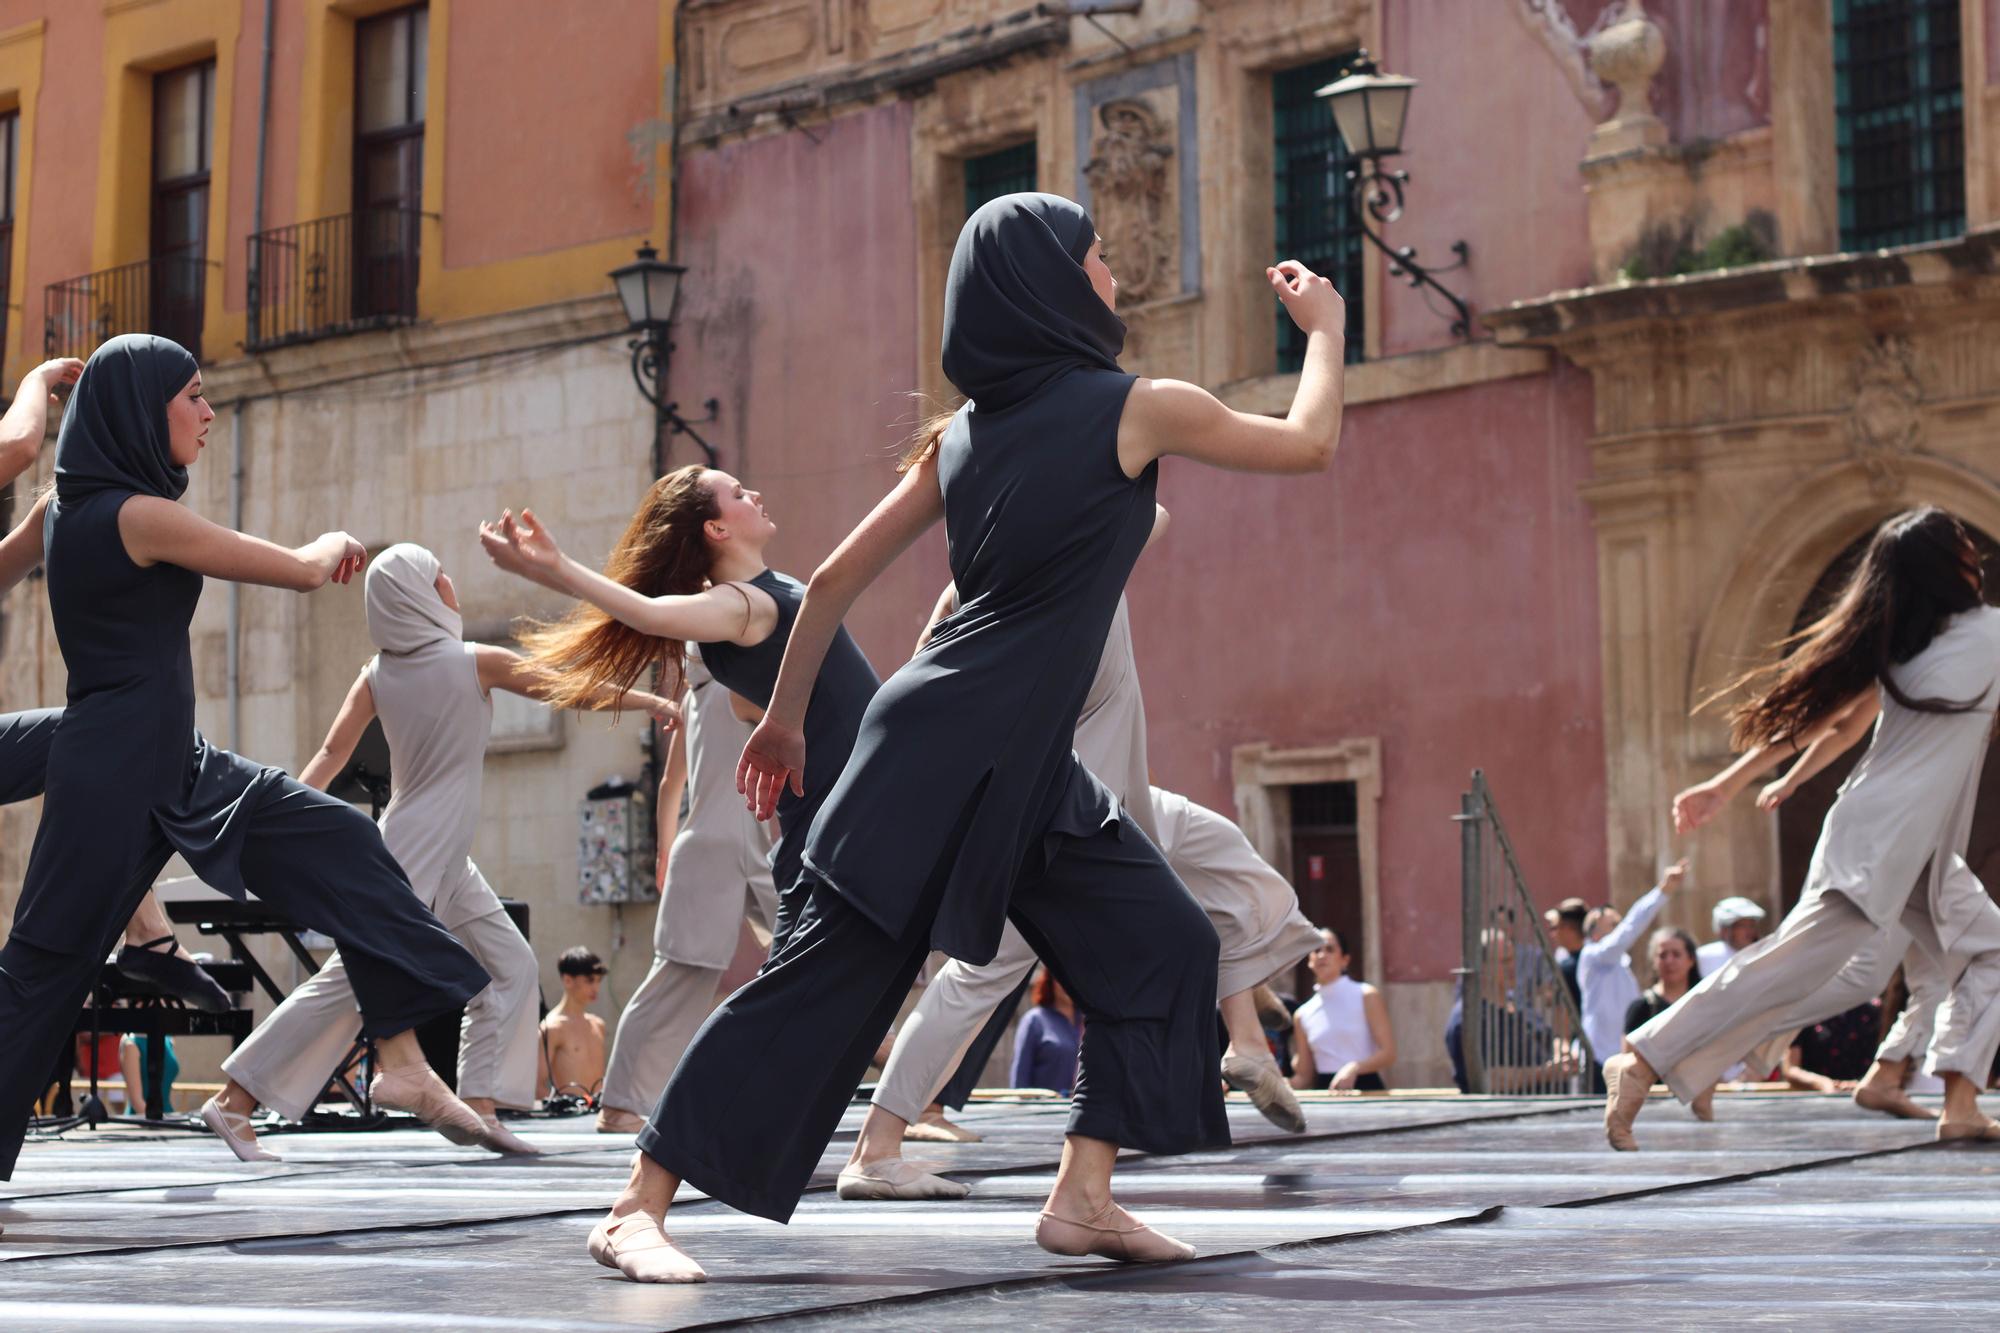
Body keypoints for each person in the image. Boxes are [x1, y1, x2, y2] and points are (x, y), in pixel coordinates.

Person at [568, 194, 1344, 1282]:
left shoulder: (962, 436)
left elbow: (832, 582)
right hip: (939, 750)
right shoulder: (1136, 407)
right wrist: (1324, 331)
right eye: (1096, 255)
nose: (1112, 270)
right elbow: (1306, 443)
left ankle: (1081, 1200)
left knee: (1164, 944)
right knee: (823, 979)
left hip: (1020, 764)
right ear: (1051, 282)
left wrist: (787, 721)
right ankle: (634, 1204)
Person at [0, 335, 495, 1184]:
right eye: (191, 394)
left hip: (174, 762)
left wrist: (35, 391)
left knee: (343, 839)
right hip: (115, 772)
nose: (209, 410)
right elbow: (300, 573)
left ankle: (402, 1052)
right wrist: (336, 538)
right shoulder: (136, 515)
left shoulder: (61, 513)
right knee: (44, 968)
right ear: (140, 410)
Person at [838, 580, 1322, 1205]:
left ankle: (1249, 1035)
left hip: (1116, 804)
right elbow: (929, 670)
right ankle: (876, 1149)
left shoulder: (1075, 550)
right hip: (1061, 818)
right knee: (978, 977)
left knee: (1226, 865)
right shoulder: (1025, 573)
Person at [206, 545, 673, 1159]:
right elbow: (568, 691)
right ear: (420, 594)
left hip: (437, 851)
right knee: (352, 983)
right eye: (439, 574)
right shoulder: (473, 661)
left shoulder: (377, 674)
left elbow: (327, 758)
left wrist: (277, 819)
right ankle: (236, 1101)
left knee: (511, 966)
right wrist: (652, 702)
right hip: (417, 850)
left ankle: (479, 1104)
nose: (450, 583)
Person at [1607, 506, 2000, 1150]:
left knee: (1987, 950)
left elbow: (1833, 724)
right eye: (1963, 546)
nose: (1975, 557)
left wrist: (1729, 784)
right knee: (1791, 967)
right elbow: (1834, 723)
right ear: (1947, 566)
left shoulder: (1914, 642)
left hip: (1912, 848)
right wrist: (1728, 784)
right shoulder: (1972, 635)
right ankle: (1646, 1059)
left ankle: (1960, 1103)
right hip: (1878, 845)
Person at [481, 464, 881, 961]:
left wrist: (542, 569)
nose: (754, 493)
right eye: (737, 492)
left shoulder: (755, 595)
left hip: (855, 804)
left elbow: (727, 687)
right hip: (845, 815)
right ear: (717, 529)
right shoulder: (741, 605)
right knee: (797, 992)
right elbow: (649, 614)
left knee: (826, 987)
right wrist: (555, 566)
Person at [0, 357, 230, 1015]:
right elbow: (17, 445)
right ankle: (146, 936)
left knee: (92, 742)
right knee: (98, 740)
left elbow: (8, 560)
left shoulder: (78, 511)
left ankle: (146, 931)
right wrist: (38, 379)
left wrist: (66, 514)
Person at [596, 652, 778, 1134]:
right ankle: (619, 1104)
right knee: (679, 978)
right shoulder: (735, 692)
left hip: (717, 849)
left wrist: (664, 854)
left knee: (797, 951)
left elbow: (669, 787)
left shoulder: (695, 701)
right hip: (730, 849)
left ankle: (625, 1101)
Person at [1578, 862, 1683, 1071]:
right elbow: (1630, 928)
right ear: (1595, 933)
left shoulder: (1620, 963)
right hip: (1598, 1059)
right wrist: (1661, 892)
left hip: (1622, 1057)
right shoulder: (1592, 957)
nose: (1620, 932)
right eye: (1613, 926)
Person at [1447, 931, 1573, 1093]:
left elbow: (1548, 1036)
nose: (1513, 967)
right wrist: (1546, 1073)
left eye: (1513, 959)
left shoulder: (1516, 1001)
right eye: (1504, 961)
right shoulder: (1469, 1020)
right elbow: (1486, 1080)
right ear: (1481, 967)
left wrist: (1561, 1051)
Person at [1289, 926, 1395, 1091]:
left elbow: (1388, 1054)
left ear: (1345, 959)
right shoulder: (1302, 1014)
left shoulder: (1366, 995)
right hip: (1325, 1095)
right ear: (1309, 960)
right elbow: (1304, 1077)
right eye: (1316, 950)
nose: (1322, 955)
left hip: (1366, 1091)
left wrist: (1355, 1067)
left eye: (1329, 949)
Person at [541, 947, 610, 1103]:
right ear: (567, 980)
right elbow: (537, 1085)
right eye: (589, 980)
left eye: (598, 981)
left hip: (598, 1112)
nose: (596, 988)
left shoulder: (598, 1024)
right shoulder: (552, 1027)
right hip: (569, 1118)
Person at [1010, 966, 1080, 1094]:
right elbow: (1020, 1079)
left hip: (1085, 1109)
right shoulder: (1034, 1020)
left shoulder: (1091, 1022)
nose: (1070, 984)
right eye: (1063, 979)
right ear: (1050, 981)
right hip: (1045, 1110)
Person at [1622, 927, 1701, 1036]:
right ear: (1653, 961)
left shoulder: (1703, 1000)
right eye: (1662, 955)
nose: (1669, 961)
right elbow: (1629, 1051)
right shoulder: (1643, 1007)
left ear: (1691, 960)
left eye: (1676, 954)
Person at [1698, 897, 1768, 977]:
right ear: (1724, 930)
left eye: (1751, 925)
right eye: (1741, 926)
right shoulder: (1704, 957)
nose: (1748, 931)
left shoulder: (1766, 953)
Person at [1549, 899, 1588, 1007]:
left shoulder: (1567, 968)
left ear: (1568, 928)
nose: (1553, 934)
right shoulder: (1597, 960)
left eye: (1556, 928)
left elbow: (1563, 1012)